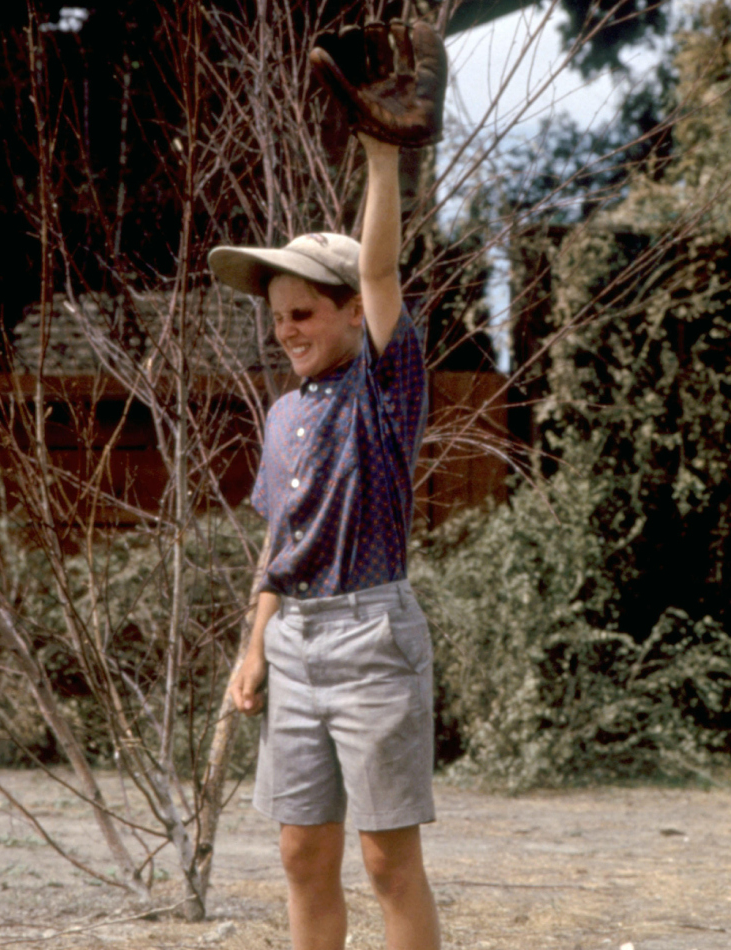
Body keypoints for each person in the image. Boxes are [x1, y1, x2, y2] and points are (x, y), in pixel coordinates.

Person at [208, 64, 443, 950]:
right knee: (303, 851)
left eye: (304, 312)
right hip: (297, 642)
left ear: (352, 313)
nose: (289, 331)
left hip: (372, 637)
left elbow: (380, 267)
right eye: (278, 319)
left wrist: (382, 161)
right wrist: (254, 644)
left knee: (387, 860)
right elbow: (280, 538)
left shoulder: (385, 387)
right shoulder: (283, 414)